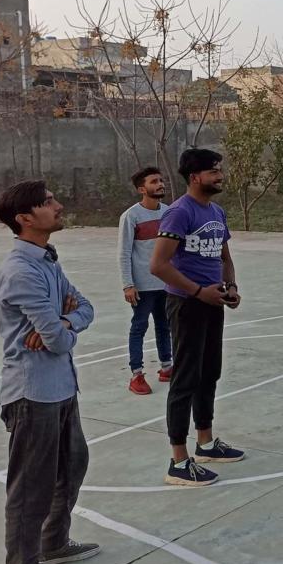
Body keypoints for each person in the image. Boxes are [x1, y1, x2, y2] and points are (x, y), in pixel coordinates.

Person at [0, 180, 99, 564]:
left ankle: (53, 542)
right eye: (49, 202)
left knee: (73, 464)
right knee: (31, 485)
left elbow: (85, 308)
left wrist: (65, 321)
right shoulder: (21, 271)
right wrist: (60, 328)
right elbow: (53, 340)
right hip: (32, 392)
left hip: (61, 386)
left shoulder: (48, 262)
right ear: (25, 218)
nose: (59, 206)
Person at [150, 147, 244, 487]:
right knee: (185, 378)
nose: (220, 176)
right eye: (213, 171)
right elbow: (158, 265)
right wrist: (197, 291)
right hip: (186, 304)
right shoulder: (179, 213)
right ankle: (178, 460)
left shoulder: (216, 211)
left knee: (209, 373)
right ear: (194, 177)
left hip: (212, 301)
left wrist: (230, 287)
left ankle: (205, 442)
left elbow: (224, 257)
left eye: (219, 170)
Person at [118, 166, 172, 395]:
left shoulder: (169, 212)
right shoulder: (131, 216)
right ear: (142, 189)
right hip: (142, 286)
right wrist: (128, 284)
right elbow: (124, 253)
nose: (160, 184)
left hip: (166, 282)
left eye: (161, 180)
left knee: (165, 325)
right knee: (139, 327)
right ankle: (137, 374)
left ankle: (167, 367)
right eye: (154, 182)